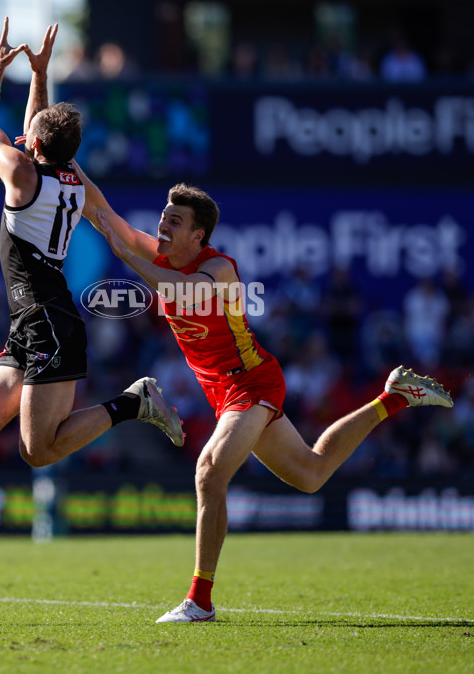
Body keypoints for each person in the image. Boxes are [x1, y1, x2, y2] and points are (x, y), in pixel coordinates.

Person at [81, 181, 454, 623]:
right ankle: (394, 398)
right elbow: (103, 211)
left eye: (174, 220)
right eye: (163, 216)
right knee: (311, 473)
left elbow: (180, 291)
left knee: (209, 473)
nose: (162, 223)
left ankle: (199, 600)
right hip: (227, 392)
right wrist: (60, 163)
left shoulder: (218, 268)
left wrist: (126, 256)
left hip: (252, 383)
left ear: (198, 235)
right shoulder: (164, 255)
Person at [0, 18, 183, 581]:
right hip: (33, 321)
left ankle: (134, 402)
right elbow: (112, 224)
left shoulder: (19, 172)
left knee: (38, 451)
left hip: (48, 322)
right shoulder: (75, 177)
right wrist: (42, 72)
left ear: (33, 145)